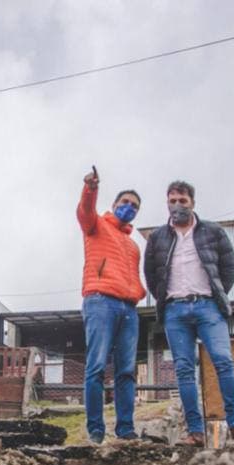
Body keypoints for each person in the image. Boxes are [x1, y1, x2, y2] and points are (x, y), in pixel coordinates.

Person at [143, 180, 234, 444]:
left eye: (182, 201)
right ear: (167, 203)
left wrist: (215, 294)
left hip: (208, 307)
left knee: (223, 361)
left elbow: (229, 268)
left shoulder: (213, 232)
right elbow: (151, 275)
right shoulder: (158, 237)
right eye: (172, 201)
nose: (177, 205)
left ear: (192, 203)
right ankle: (194, 431)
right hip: (175, 310)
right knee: (184, 369)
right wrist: (166, 299)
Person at [77, 168, 147, 444]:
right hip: (100, 301)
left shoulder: (133, 246)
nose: (129, 207)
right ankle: (96, 431)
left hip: (129, 309)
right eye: (125, 202)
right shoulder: (96, 225)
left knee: (126, 371)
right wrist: (90, 188)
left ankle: (126, 430)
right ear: (115, 203)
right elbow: (84, 211)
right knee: (96, 367)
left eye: (134, 206)